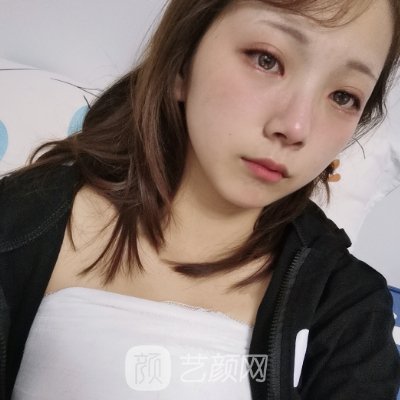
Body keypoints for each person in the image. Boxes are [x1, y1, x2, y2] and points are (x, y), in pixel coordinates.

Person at [1, 0, 400, 398]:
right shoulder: (22, 220)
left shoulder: (349, 309)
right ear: (182, 62)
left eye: (343, 96)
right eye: (266, 60)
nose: (296, 127)